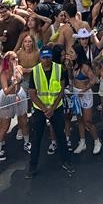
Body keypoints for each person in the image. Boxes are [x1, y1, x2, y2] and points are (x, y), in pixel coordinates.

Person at [27, 47, 74, 179]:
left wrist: (52, 108)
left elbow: (61, 89)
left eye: (48, 57)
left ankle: (66, 161)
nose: (46, 60)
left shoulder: (59, 69)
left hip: (56, 107)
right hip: (40, 108)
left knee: (61, 135)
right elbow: (32, 93)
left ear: (52, 57)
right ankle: (32, 166)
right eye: (44, 57)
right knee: (36, 138)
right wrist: (45, 109)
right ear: (40, 57)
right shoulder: (35, 71)